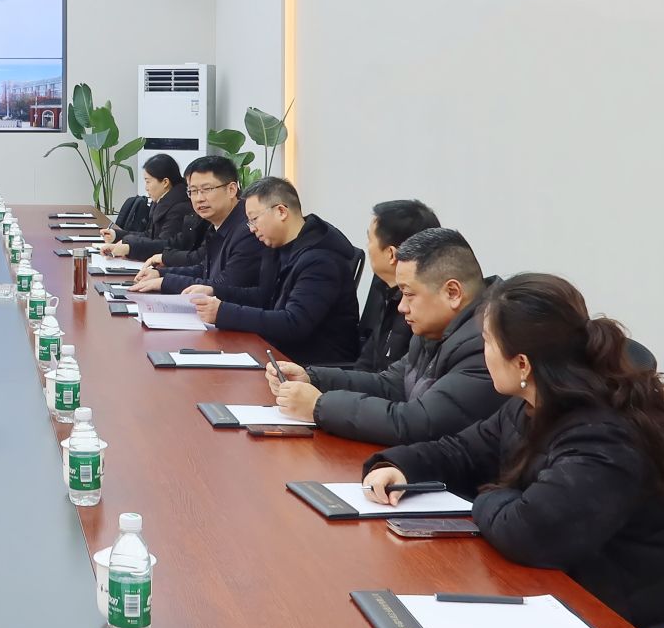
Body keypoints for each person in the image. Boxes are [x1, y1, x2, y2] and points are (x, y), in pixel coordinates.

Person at [361, 273, 664, 628]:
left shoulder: (604, 437)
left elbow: (530, 534)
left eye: (487, 342)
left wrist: (487, 496)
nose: (483, 354)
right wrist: (399, 466)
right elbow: (463, 451)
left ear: (522, 363)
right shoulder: (531, 406)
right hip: (580, 601)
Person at [271, 226, 503, 444]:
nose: (401, 307)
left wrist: (319, 405)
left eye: (409, 294)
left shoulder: (490, 342)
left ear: (452, 293)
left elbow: (417, 423)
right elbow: (391, 384)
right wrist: (313, 378)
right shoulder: (436, 327)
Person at [184, 177, 360, 365]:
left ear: (281, 212)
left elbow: (294, 323)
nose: (252, 229)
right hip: (276, 351)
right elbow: (263, 296)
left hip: (313, 365)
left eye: (254, 219)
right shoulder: (277, 247)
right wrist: (214, 291)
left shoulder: (321, 261)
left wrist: (223, 313)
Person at [128, 155, 264, 297]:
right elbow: (204, 269)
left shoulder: (249, 229)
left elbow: (225, 286)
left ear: (231, 189)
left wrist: (165, 282)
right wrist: (159, 274)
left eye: (207, 189)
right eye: (193, 191)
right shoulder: (217, 224)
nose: (199, 198)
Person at [352, 199, 440, 374]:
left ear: (391, 254)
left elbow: (397, 383)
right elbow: (365, 365)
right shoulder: (385, 291)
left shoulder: (422, 313)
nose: (367, 247)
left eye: (370, 239)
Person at [99, 154, 208, 264]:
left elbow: (168, 245)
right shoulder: (161, 201)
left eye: (148, 181)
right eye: (193, 190)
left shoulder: (180, 208)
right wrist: (117, 235)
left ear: (165, 182)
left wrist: (130, 247)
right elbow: (152, 234)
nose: (146, 187)